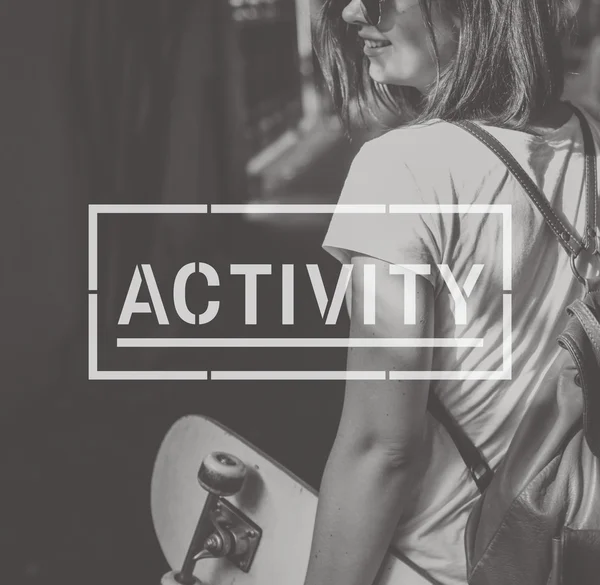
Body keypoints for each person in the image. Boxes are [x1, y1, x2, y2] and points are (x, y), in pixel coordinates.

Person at [303, 1, 600, 585]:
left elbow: (380, 450)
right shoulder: (591, 138)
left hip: (437, 565)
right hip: (567, 555)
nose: (353, 13)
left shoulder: (401, 170)